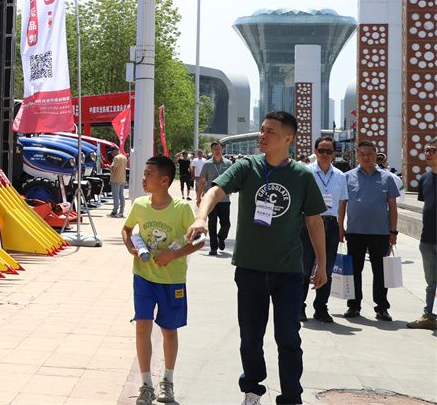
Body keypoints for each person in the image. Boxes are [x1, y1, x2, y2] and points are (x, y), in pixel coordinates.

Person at [186, 111, 327, 405]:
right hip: (250, 268)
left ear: (288, 138)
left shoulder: (302, 175)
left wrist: (322, 264)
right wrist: (201, 216)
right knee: (250, 337)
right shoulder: (247, 166)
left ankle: (291, 397)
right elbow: (215, 190)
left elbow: (314, 221)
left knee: (288, 337)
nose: (263, 135)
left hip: (289, 271)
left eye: (271, 132)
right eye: (262, 130)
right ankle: (252, 390)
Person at [121, 155, 204, 405]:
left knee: (168, 329)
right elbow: (127, 230)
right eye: (144, 173)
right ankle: (146, 385)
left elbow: (199, 241)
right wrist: (131, 247)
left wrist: (173, 255)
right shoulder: (140, 205)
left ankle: (167, 381)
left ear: (164, 180)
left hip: (172, 280)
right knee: (142, 326)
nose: (144, 178)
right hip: (143, 277)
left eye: (149, 174)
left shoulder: (181, 209)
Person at [338, 140, 400, 321]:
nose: (366, 157)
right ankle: (353, 306)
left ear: (376, 155)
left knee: (380, 272)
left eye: (370, 154)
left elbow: (393, 206)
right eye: (362, 154)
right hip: (355, 232)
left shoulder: (387, 178)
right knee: (354, 271)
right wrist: (340, 227)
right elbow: (342, 204)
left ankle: (382, 308)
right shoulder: (347, 177)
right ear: (357, 156)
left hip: (380, 233)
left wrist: (393, 231)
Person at [300, 136, 347, 323]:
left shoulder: (340, 176)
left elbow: (342, 203)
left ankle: (321, 308)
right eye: (321, 150)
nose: (325, 154)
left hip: (330, 224)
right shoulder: (306, 172)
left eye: (329, 151)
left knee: (326, 268)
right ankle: (299, 306)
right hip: (308, 223)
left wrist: (341, 226)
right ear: (315, 151)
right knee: (304, 267)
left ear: (334, 153)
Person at [407, 137, 436, 330]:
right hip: (427, 239)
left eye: (433, 150)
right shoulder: (424, 179)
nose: (428, 153)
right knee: (431, 281)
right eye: (426, 150)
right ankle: (429, 315)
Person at [197, 141, 233, 255]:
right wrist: (198, 197)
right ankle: (213, 247)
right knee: (212, 223)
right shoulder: (207, 164)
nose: (217, 151)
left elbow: (233, 179)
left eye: (219, 149)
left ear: (223, 150)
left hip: (224, 198)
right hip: (210, 199)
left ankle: (221, 237)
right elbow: (202, 181)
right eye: (215, 149)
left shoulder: (229, 163)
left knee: (226, 224)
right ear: (212, 151)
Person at [110, 149, 129, 217]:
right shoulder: (124, 157)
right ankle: (121, 211)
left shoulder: (116, 158)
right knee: (121, 195)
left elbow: (114, 168)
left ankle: (115, 211)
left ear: (115, 151)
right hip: (122, 179)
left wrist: (109, 167)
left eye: (112, 152)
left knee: (115, 196)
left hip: (115, 179)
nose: (111, 154)